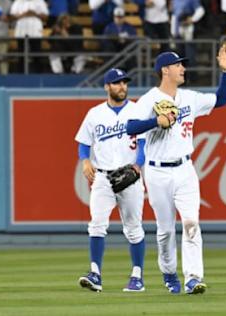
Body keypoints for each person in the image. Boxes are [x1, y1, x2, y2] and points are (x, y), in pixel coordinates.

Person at [126, 45, 226, 294]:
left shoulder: (190, 98)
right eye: (178, 65)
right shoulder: (149, 99)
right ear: (165, 70)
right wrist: (156, 121)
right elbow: (130, 127)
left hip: (185, 169)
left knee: (191, 222)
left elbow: (222, 99)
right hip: (157, 172)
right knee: (164, 231)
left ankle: (193, 278)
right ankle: (169, 272)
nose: (183, 68)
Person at [75, 68, 147, 293]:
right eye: (116, 83)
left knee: (134, 229)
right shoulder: (94, 113)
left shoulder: (138, 110)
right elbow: (84, 142)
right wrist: (85, 161)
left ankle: (137, 277)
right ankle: (95, 274)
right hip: (103, 177)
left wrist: (138, 166)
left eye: (124, 82)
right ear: (107, 87)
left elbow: (144, 144)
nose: (122, 86)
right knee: (96, 225)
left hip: (130, 177)